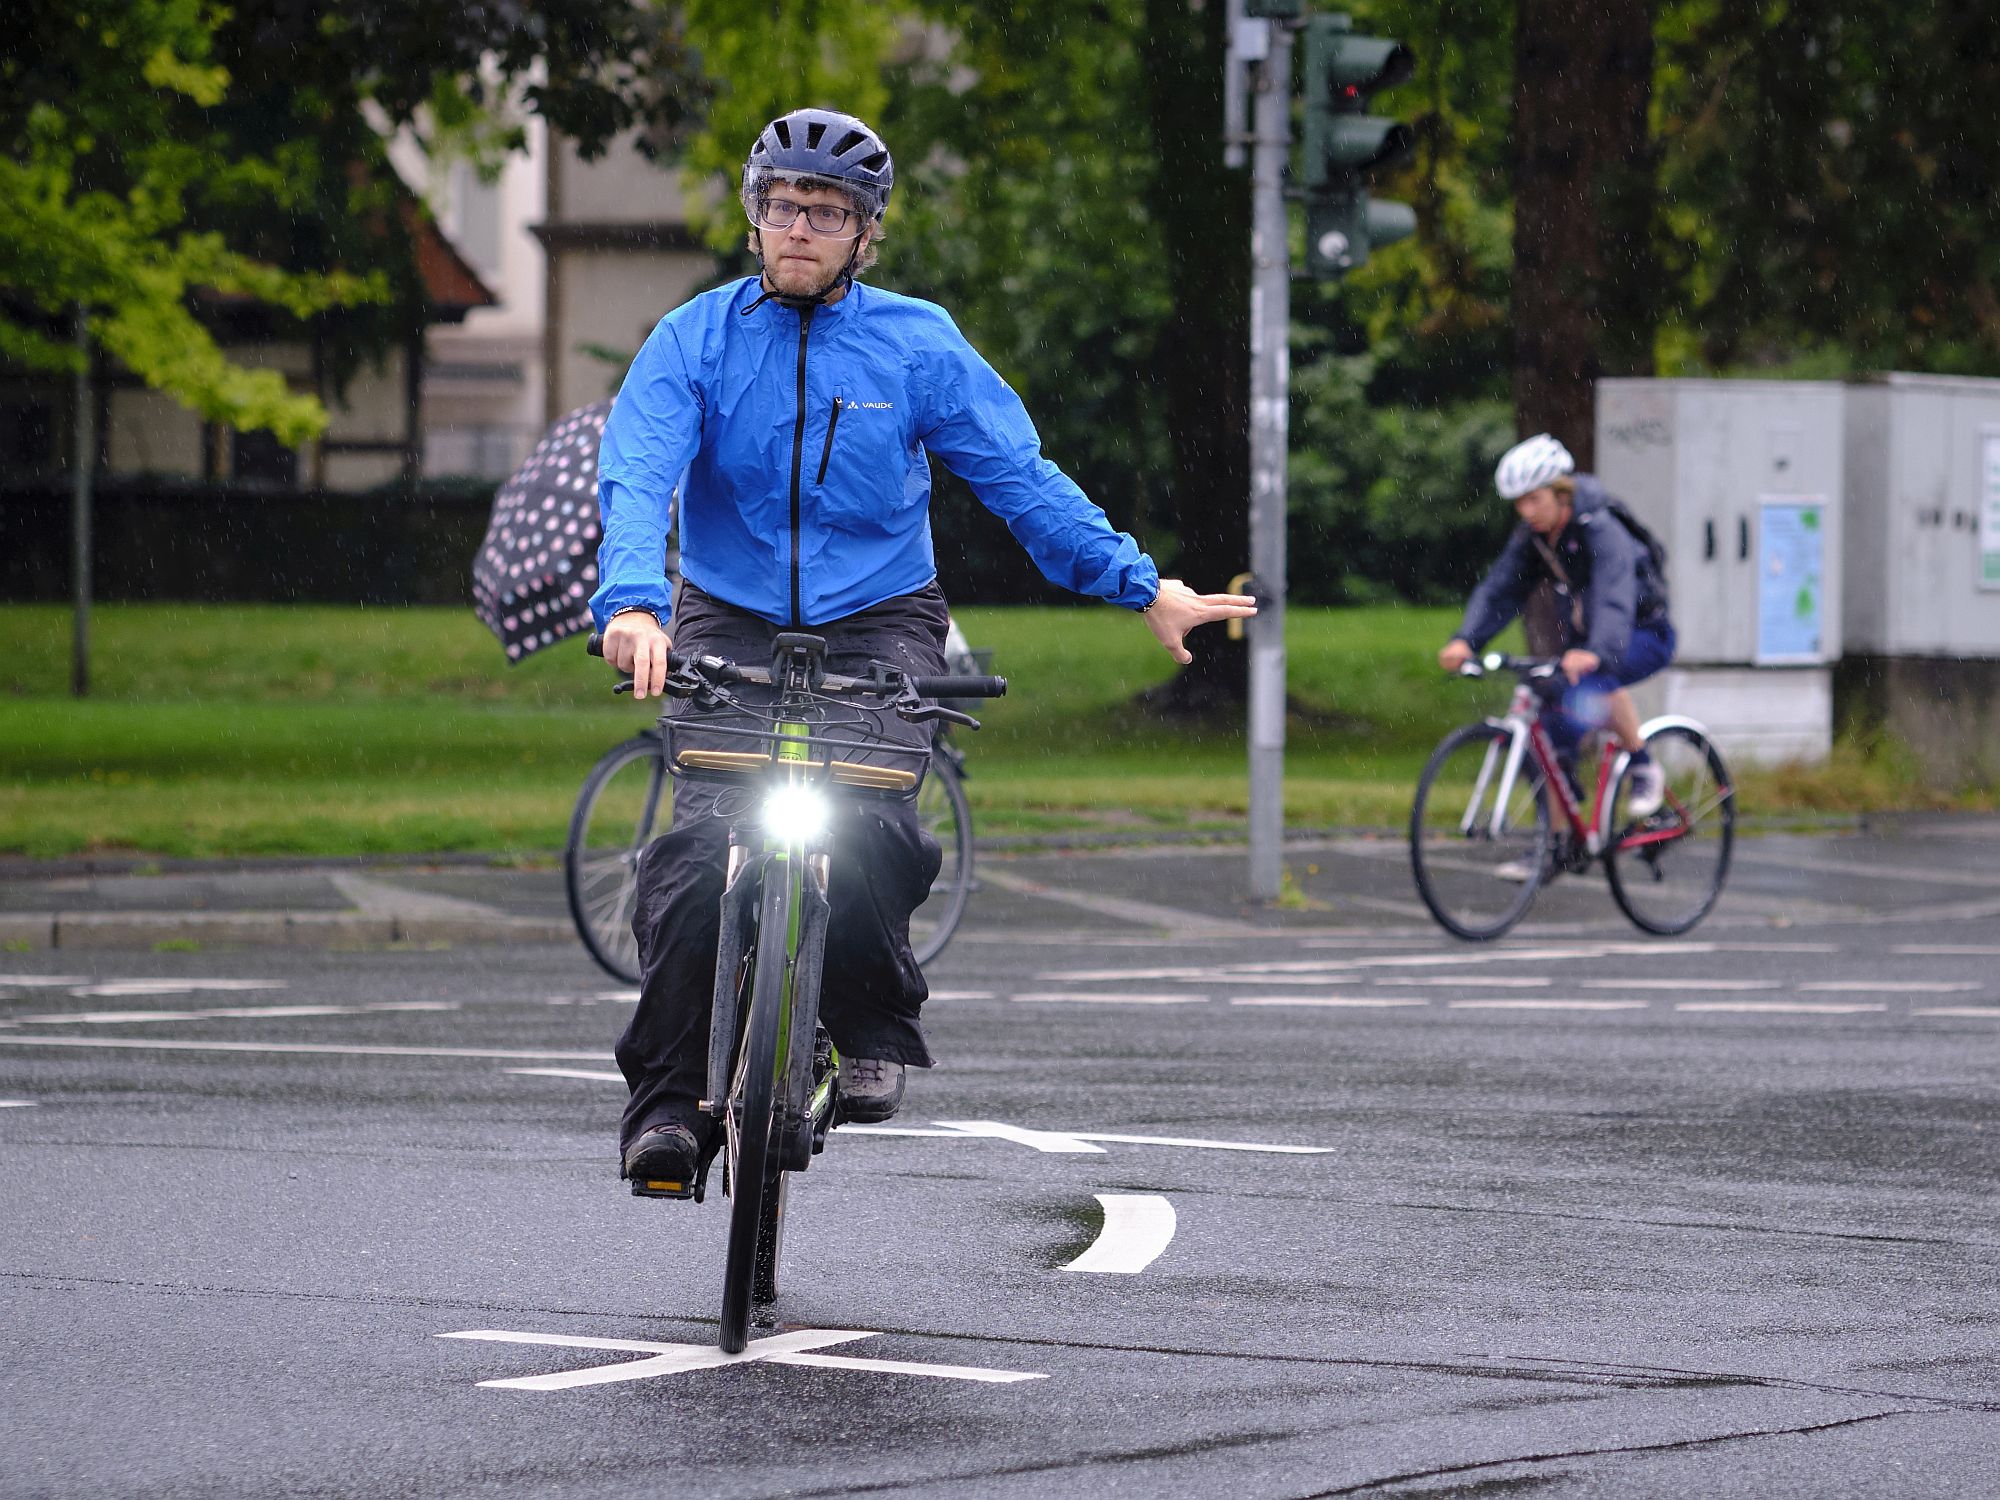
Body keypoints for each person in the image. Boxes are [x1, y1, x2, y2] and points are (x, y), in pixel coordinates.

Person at [592, 107, 1256, 1191]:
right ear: (752, 219)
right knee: (686, 863)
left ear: (865, 233)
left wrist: (1141, 585)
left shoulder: (915, 343)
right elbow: (638, 474)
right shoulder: (693, 340)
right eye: (781, 206)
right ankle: (666, 1108)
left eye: (827, 210)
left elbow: (1018, 479)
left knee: (875, 829)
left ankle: (865, 1027)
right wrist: (633, 605)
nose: (799, 226)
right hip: (723, 609)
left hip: (881, 613)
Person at [1438, 433, 1673, 820]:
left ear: (1561, 493)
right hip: (1588, 643)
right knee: (1548, 731)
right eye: (1520, 503)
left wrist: (1596, 652)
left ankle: (1643, 765)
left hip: (1642, 634)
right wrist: (1466, 640)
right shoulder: (1536, 537)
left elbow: (1615, 596)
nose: (1527, 511)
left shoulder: (1601, 528)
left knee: (1594, 686)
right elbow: (1501, 588)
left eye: (1535, 500)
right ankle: (1558, 845)